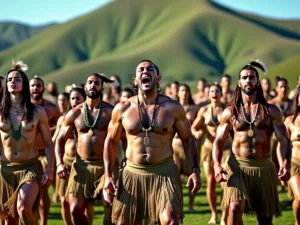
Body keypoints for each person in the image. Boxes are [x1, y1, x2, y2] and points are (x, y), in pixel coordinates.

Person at [103, 59, 201, 225]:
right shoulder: (122, 108)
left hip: (164, 172)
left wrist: (195, 170)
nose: (145, 72)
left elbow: (188, 139)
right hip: (132, 173)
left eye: (150, 69)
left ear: (158, 78)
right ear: (135, 79)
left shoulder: (172, 107)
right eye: (140, 70)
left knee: (171, 221)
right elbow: (111, 141)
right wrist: (107, 176)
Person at [213, 60, 291, 225]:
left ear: (257, 81)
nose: (248, 80)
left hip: (263, 167)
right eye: (245, 77)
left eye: (252, 77)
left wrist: (286, 163)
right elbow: (218, 141)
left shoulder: (271, 111)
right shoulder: (230, 112)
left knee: (264, 219)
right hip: (237, 166)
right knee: (234, 209)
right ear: (239, 82)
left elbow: (284, 139)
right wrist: (216, 165)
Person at [55, 73, 115, 225]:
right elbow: (60, 140)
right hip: (82, 167)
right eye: (90, 82)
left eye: (96, 83)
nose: (93, 85)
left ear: (102, 87)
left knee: (110, 206)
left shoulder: (111, 111)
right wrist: (59, 163)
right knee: (75, 210)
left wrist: (126, 160)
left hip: (106, 167)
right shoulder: (75, 113)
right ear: (85, 86)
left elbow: (125, 139)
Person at [0, 61, 54, 225]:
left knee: (23, 208)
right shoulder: (0, 111)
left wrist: (49, 169)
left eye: (16, 79)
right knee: (9, 218)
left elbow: (48, 144)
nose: (12, 82)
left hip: (30, 167)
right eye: (9, 79)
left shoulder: (38, 112)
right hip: (5, 169)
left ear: (24, 84)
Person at [192, 83, 231, 224]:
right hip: (208, 149)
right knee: (210, 181)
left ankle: (225, 217)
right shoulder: (203, 111)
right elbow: (193, 127)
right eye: (212, 91)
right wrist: (197, 132)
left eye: (217, 91)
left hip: (226, 149)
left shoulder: (228, 110)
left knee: (225, 184)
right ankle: (214, 214)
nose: (214, 93)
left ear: (221, 94)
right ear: (209, 94)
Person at [53, 86, 87, 225]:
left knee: (85, 204)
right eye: (72, 98)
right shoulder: (63, 119)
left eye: (77, 98)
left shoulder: (89, 119)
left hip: (81, 164)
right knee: (64, 201)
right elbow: (56, 140)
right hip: (66, 163)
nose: (74, 101)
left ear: (84, 99)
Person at [29, 76, 60, 225]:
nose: (35, 88)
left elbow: (61, 126)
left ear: (43, 88)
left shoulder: (52, 108)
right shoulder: (24, 107)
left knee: (43, 191)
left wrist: (48, 129)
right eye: (33, 85)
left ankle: (44, 222)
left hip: (45, 154)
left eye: (38, 85)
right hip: (29, 155)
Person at [172, 83, 199, 213]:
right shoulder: (172, 108)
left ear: (189, 93)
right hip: (174, 146)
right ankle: (179, 204)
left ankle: (191, 204)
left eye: (186, 90)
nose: (184, 92)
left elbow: (201, 124)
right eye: (182, 90)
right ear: (178, 93)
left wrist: (198, 132)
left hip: (187, 147)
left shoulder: (194, 109)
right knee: (176, 176)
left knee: (191, 175)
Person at [268, 76, 293, 188]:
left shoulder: (293, 104)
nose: (284, 89)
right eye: (281, 87)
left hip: (289, 140)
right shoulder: (270, 105)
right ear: (277, 89)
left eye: (286, 87)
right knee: (272, 168)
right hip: (273, 140)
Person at [282, 86, 300, 224]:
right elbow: (283, 144)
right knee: (299, 198)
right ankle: (297, 222)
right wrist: (283, 164)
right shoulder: (290, 121)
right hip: (295, 163)